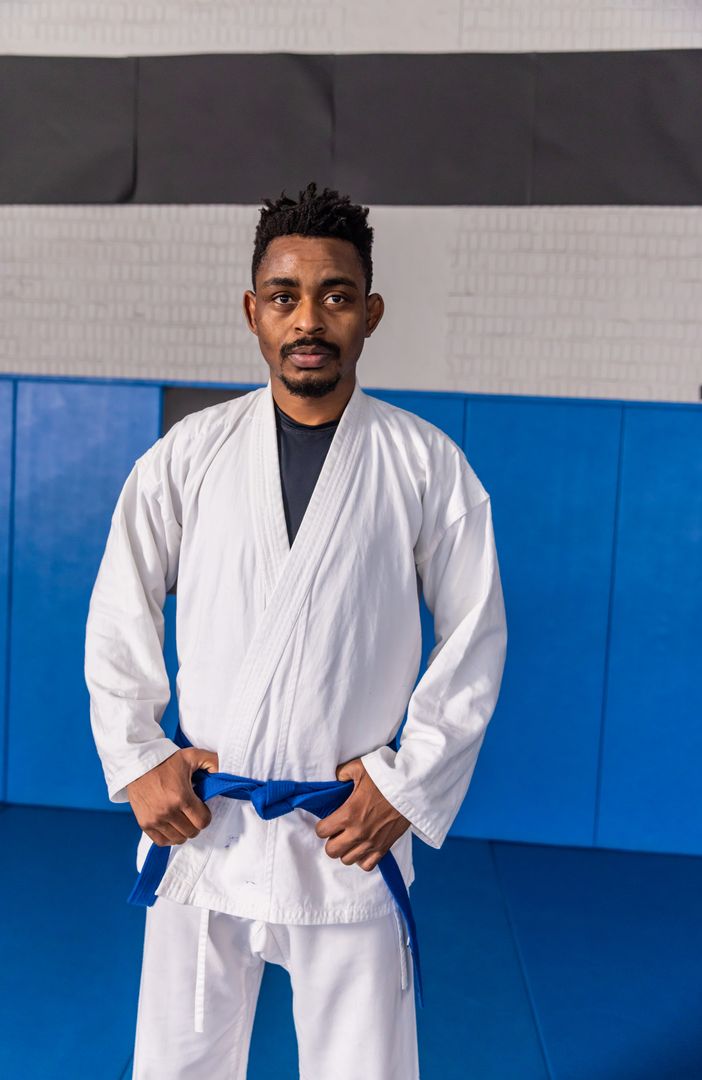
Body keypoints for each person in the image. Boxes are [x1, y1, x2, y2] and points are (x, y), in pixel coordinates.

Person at [84, 181, 508, 1079]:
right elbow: (118, 605)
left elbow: (475, 635)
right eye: (285, 296)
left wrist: (408, 784)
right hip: (203, 828)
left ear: (370, 313)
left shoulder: (425, 464)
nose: (308, 318)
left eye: (336, 296)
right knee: (178, 1065)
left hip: (347, 831)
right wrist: (137, 755)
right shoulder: (188, 456)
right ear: (253, 311)